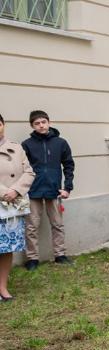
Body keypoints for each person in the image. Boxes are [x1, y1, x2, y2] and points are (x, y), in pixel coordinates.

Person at [21, 110, 74, 270]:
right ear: (32, 126)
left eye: (43, 122)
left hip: (54, 190)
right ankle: (32, 259)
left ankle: (60, 255)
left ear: (49, 122)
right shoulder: (27, 145)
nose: (41, 125)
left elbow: (69, 165)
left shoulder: (60, 143)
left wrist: (67, 187)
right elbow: (23, 168)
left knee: (57, 224)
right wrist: (23, 189)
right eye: (37, 123)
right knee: (31, 226)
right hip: (33, 191)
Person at [0, 113, 35, 302]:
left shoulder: (16, 147)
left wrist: (15, 190)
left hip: (12, 206)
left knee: (6, 248)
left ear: (3, 125)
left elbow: (29, 172)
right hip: (2, 198)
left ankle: (3, 288)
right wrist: (3, 192)